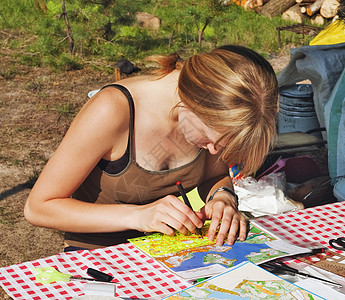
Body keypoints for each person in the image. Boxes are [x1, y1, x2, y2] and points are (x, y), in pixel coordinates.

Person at [24, 45, 279, 251]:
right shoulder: (112, 110)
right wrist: (138, 216)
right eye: (209, 138)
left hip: (170, 250)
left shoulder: (207, 119)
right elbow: (39, 207)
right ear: (193, 103)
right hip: (100, 256)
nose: (214, 151)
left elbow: (215, 176)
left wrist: (222, 197)